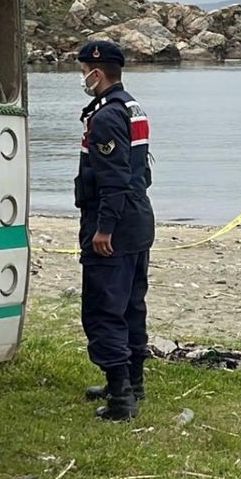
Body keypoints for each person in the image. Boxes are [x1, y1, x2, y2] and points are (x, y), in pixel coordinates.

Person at [75, 40, 156, 421]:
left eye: (83, 71)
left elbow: (112, 177)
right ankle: (132, 383)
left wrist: (104, 228)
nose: (82, 78)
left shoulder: (106, 116)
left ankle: (122, 396)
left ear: (97, 72)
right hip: (138, 217)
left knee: (104, 307)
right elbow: (142, 170)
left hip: (115, 223)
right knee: (131, 305)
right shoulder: (133, 107)